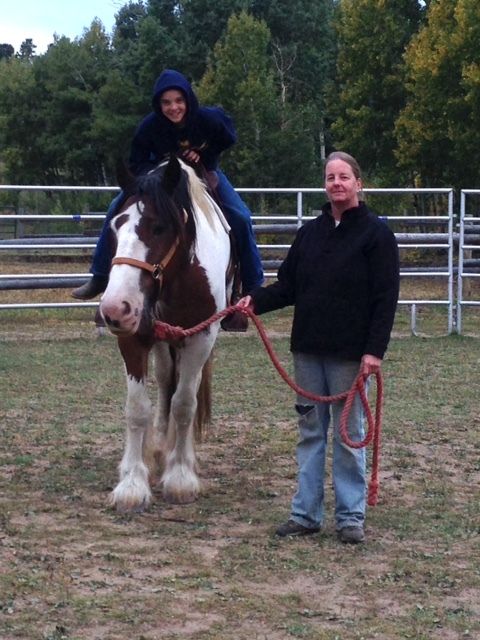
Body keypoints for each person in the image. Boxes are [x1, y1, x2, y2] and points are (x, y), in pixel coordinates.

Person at [239, 151, 399, 544]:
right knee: (310, 431)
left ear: (358, 183)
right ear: (325, 185)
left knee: (348, 434)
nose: (337, 184)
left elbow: (385, 299)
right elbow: (288, 286)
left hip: (350, 354)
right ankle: (306, 514)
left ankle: (350, 517)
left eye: (344, 176)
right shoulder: (309, 234)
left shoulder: (376, 235)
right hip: (308, 350)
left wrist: (374, 352)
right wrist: (255, 301)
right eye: (330, 177)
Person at [72, 68, 264, 301]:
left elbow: (229, 137)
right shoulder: (149, 127)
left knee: (241, 216)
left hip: (204, 172)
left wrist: (204, 154)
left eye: (179, 100)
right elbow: (136, 162)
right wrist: (158, 172)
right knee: (115, 208)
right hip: (162, 179)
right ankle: (100, 275)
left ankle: (253, 284)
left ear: (188, 99)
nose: (174, 107)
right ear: (158, 104)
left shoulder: (208, 118)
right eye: (166, 102)